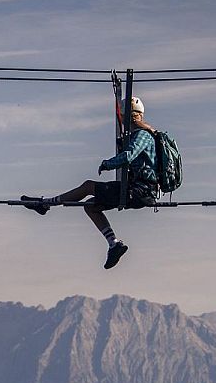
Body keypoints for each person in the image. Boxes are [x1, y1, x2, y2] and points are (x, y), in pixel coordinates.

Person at [22, 96, 159, 269]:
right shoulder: (142, 135)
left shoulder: (142, 135)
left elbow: (128, 156)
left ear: (126, 116)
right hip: (139, 189)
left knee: (88, 186)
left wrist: (108, 163)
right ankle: (114, 244)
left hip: (140, 191)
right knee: (90, 206)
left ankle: (45, 204)